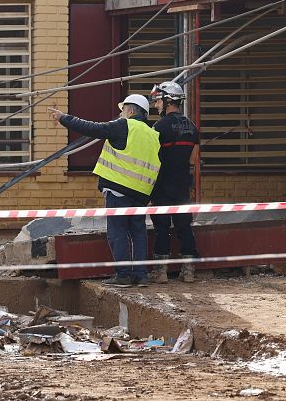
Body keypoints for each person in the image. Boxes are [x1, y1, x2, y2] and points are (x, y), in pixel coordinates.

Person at [49, 94, 160, 287]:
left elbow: (93, 128)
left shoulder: (124, 125)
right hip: (141, 193)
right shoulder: (153, 134)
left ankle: (123, 275)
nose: (120, 113)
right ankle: (141, 275)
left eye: (123, 110)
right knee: (138, 233)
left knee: (118, 232)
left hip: (118, 190)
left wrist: (63, 118)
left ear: (131, 111)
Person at [148, 81, 200, 283]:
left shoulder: (158, 127)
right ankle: (188, 272)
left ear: (168, 100)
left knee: (162, 228)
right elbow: (193, 160)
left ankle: (160, 272)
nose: (156, 105)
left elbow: (153, 158)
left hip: (162, 186)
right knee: (184, 227)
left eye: (158, 100)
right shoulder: (193, 128)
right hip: (182, 186)